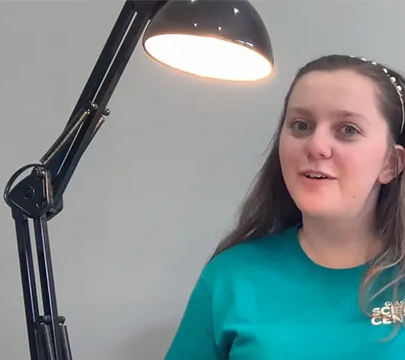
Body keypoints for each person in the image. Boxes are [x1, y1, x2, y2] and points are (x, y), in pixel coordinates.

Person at [164, 54, 405, 359]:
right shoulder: (231, 276)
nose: (316, 146)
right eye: (301, 125)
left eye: (348, 129)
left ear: (391, 163)